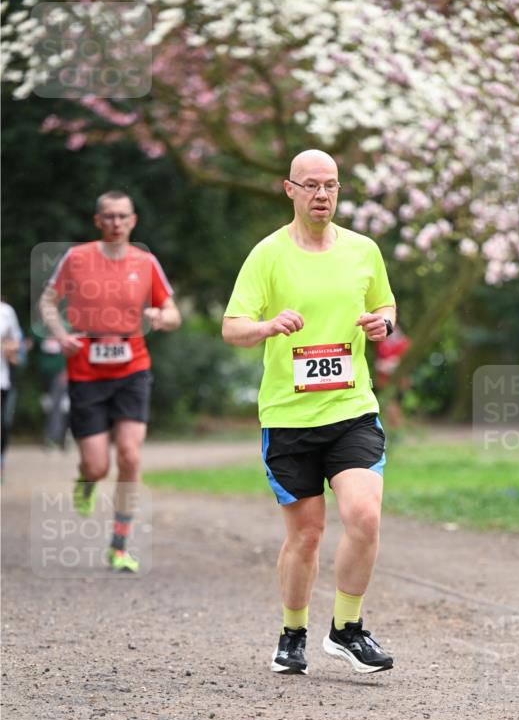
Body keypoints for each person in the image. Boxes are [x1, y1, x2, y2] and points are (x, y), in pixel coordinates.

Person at [223, 149, 396, 676]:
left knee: (364, 516)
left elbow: (386, 307)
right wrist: (267, 326)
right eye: (312, 185)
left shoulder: (364, 250)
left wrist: (381, 325)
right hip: (290, 418)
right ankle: (292, 632)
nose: (323, 195)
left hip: (351, 408)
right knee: (307, 534)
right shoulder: (267, 255)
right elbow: (233, 327)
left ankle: (347, 629)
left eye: (332, 185)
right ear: (290, 189)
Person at [39, 191, 181, 571]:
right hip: (86, 370)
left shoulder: (145, 262)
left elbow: (173, 313)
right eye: (109, 216)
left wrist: (160, 317)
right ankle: (86, 479)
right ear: (97, 220)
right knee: (98, 466)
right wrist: (60, 334)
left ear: (133, 221)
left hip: (132, 367)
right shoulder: (77, 258)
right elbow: (48, 302)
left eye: (123, 216)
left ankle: (119, 545)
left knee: (131, 455)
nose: (116, 223)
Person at [1, 299, 24, 477]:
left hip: (2, 378)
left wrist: (10, 349)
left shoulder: (6, 311)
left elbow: (16, 342)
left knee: (4, 424)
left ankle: (1, 463)